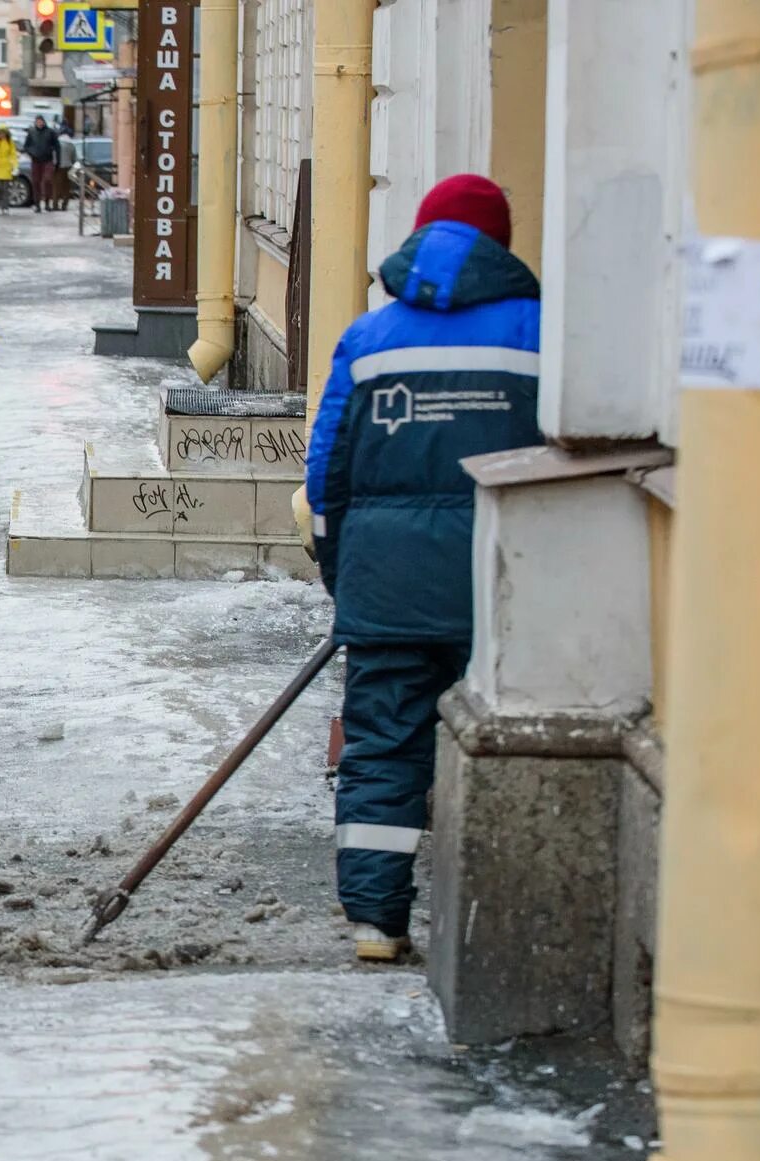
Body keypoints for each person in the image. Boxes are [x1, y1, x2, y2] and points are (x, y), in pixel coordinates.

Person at [305, 174, 543, 963]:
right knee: (510, 733)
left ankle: (377, 920)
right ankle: (506, 921)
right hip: (504, 578)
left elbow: (327, 474)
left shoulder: (371, 338)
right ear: (501, 244)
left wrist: (344, 572)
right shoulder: (541, 333)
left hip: (389, 580)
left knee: (383, 743)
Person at [22, 115, 61, 215]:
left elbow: (57, 146)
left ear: (44, 122)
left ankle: (47, 203)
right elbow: (26, 146)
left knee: (47, 180)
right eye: (38, 121)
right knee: (36, 182)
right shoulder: (32, 132)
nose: (39, 123)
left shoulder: (50, 132)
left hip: (47, 159)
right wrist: (31, 152)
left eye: (41, 121)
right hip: (36, 160)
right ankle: (37, 204)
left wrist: (58, 161)